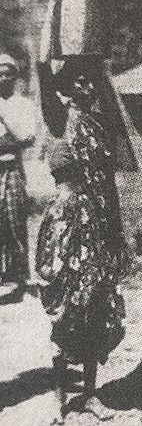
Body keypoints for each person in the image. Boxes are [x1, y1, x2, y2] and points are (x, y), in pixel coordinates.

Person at [36, 57, 129, 424]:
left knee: (97, 306)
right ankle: (60, 402)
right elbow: (44, 73)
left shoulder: (98, 125)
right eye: (81, 83)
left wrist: (117, 231)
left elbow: (108, 182)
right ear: (66, 87)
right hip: (69, 228)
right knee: (68, 310)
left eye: (91, 82)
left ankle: (89, 394)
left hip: (98, 226)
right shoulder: (60, 119)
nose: (90, 89)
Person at [0, 54, 36, 301]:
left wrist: (4, 118)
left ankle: (19, 276)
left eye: (7, 73)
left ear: (15, 77)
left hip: (12, 167)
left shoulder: (23, 104)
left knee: (14, 221)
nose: (3, 78)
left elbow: (26, 138)